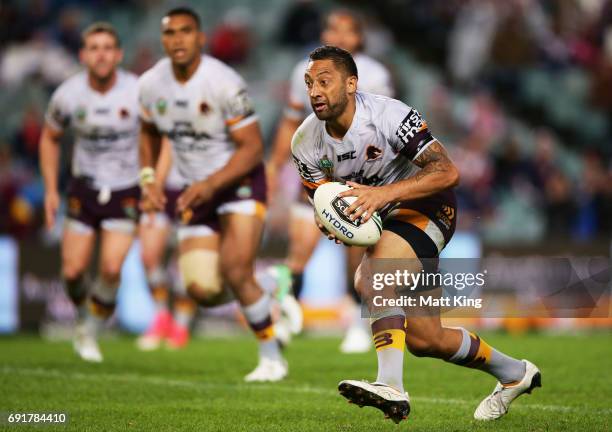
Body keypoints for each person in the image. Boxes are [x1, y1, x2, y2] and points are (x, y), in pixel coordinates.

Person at [291, 45, 541, 423]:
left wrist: (383, 195)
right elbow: (323, 200)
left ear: (352, 83)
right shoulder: (304, 144)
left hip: (429, 207)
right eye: (309, 83)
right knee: (427, 340)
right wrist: (331, 222)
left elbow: (447, 172)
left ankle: (390, 385)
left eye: (324, 81)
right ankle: (515, 373)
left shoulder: (390, 115)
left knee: (373, 277)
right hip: (385, 219)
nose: (314, 91)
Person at [138, 7, 286, 382]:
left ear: (201, 38)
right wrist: (150, 178)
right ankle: (268, 284)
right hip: (195, 191)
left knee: (236, 269)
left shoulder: (224, 81)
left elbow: (252, 148)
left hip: (237, 183)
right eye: (171, 33)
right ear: (163, 40)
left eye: (186, 32)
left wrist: (210, 183)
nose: (178, 40)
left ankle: (272, 358)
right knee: (202, 290)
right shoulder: (151, 85)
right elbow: (149, 132)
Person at [268, 9, 394, 353]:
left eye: (346, 30)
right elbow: (290, 121)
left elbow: (383, 129)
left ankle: (355, 319)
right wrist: (275, 166)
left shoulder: (375, 75)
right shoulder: (303, 70)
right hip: (315, 169)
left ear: (358, 38)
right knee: (300, 249)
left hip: (357, 175)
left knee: (356, 250)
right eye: (331, 29)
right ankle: (281, 321)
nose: (338, 36)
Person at [39, 22, 140, 362]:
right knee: (72, 273)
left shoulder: (137, 91)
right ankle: (85, 313)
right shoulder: (68, 94)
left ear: (119, 54)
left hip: (126, 189)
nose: (101, 54)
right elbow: (49, 138)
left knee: (111, 269)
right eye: (94, 48)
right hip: (83, 189)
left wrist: (153, 178)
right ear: (82, 55)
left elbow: (158, 136)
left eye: (108, 47)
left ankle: (90, 332)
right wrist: (52, 190)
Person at [137, 142, 196, 351]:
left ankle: (181, 325)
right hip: (161, 189)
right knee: (149, 257)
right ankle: (161, 316)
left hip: (192, 188)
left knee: (187, 264)